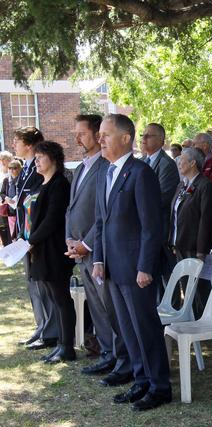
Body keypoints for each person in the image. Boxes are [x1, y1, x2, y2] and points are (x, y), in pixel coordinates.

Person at [92, 114, 172, 412]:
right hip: (112, 266)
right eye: (100, 134)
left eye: (106, 134)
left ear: (125, 138)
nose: (100, 139)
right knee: (127, 328)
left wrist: (145, 266)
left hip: (136, 268)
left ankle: (159, 386)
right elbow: (100, 222)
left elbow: (152, 227)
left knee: (145, 327)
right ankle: (140, 381)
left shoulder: (141, 173)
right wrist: (98, 259)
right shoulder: (104, 173)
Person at [65, 114, 132, 385]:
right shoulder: (81, 168)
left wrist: (87, 243)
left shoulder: (107, 167)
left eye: (82, 132)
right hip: (80, 250)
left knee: (111, 308)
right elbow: (73, 209)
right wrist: (71, 240)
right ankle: (107, 354)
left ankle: (123, 359)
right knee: (97, 307)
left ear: (96, 134)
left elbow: (103, 215)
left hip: (100, 250)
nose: (77, 138)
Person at [25, 141, 76, 363]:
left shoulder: (59, 184)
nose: (36, 161)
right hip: (40, 250)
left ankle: (67, 347)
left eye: (40, 157)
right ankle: (60, 344)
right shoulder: (42, 182)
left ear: (53, 159)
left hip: (54, 250)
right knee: (54, 299)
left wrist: (31, 240)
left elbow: (52, 219)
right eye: (35, 157)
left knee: (62, 299)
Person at [13, 126, 60, 350]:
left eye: (17, 141)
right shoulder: (25, 169)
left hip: (37, 238)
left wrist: (31, 238)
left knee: (43, 286)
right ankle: (42, 325)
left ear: (29, 145)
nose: (14, 145)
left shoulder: (39, 171)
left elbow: (36, 206)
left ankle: (50, 330)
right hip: (26, 237)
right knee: (34, 285)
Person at [169, 147, 212, 315]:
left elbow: (206, 220)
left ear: (193, 163)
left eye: (182, 159)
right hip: (179, 244)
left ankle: (203, 321)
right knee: (186, 287)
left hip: (194, 246)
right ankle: (191, 318)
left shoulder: (205, 185)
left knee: (199, 288)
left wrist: (201, 251)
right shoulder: (182, 184)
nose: (179, 162)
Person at [140, 123, 180, 295]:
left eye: (149, 135)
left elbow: (162, 198)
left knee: (165, 281)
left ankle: (167, 319)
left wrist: (137, 206)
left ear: (161, 140)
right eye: (143, 135)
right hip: (143, 230)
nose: (143, 139)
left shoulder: (167, 164)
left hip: (160, 231)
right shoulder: (141, 162)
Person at [1, 159, 22, 240]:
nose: (11, 170)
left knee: (20, 233)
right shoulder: (6, 180)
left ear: (19, 168)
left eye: (14, 168)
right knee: (13, 234)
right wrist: (6, 198)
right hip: (10, 211)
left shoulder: (22, 179)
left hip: (20, 210)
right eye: (10, 168)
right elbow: (2, 193)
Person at [0, 150, 12, 245]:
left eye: (2, 159)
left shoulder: (11, 172)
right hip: (1, 205)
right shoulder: (1, 173)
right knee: (2, 228)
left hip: (9, 205)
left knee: (9, 228)